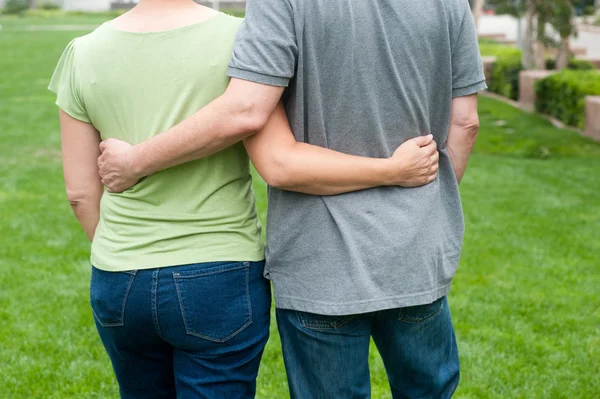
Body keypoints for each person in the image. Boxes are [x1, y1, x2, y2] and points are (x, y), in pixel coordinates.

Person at [49, 0, 440, 398]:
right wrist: (393, 170)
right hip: (218, 272)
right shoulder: (240, 39)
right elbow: (277, 158)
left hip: (118, 277)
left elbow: (80, 194)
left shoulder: (82, 52)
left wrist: (123, 254)